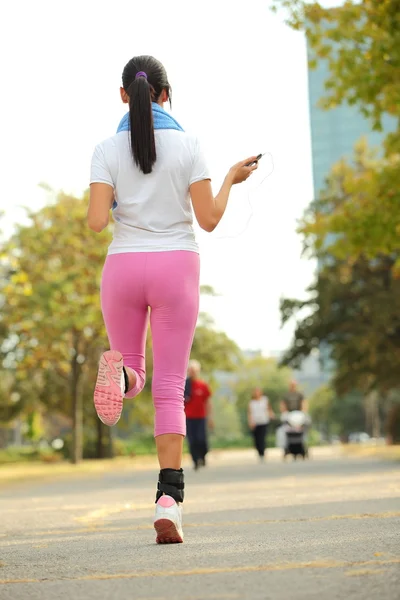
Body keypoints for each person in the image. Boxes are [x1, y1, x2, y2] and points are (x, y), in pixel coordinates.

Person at [88, 55, 258, 545]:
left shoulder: (104, 149)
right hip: (175, 267)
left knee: (136, 376)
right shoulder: (190, 145)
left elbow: (98, 221)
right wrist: (229, 179)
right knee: (169, 389)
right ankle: (168, 502)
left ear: (124, 95)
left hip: (122, 268)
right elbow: (208, 219)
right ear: (167, 94)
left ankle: (119, 373)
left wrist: (123, 196)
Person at [184, 360, 213, 470]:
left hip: (201, 417)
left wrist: (210, 417)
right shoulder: (185, 386)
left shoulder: (203, 385)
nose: (192, 372)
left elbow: (208, 402)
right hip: (188, 418)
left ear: (198, 371)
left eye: (194, 370)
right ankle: (195, 460)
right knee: (192, 440)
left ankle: (203, 455)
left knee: (201, 439)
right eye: (190, 370)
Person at [248, 388, 274, 461]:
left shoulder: (265, 400)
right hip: (255, 423)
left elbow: (269, 408)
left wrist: (271, 414)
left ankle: (262, 453)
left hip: (263, 421)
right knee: (256, 439)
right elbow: (250, 413)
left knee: (262, 438)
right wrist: (250, 422)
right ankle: (259, 452)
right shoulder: (252, 402)